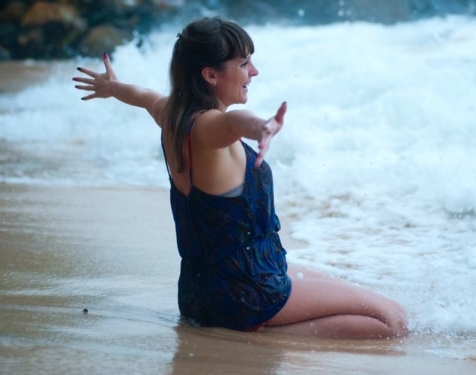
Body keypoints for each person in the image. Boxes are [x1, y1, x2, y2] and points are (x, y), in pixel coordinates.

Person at [73, 16, 407, 339]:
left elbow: (142, 95)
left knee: (339, 285)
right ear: (210, 75)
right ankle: (262, 340)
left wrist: (112, 87)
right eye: (244, 63)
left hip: (200, 294)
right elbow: (235, 123)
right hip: (246, 294)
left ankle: (246, 328)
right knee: (393, 320)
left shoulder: (171, 115)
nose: (254, 71)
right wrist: (261, 126)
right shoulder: (209, 128)